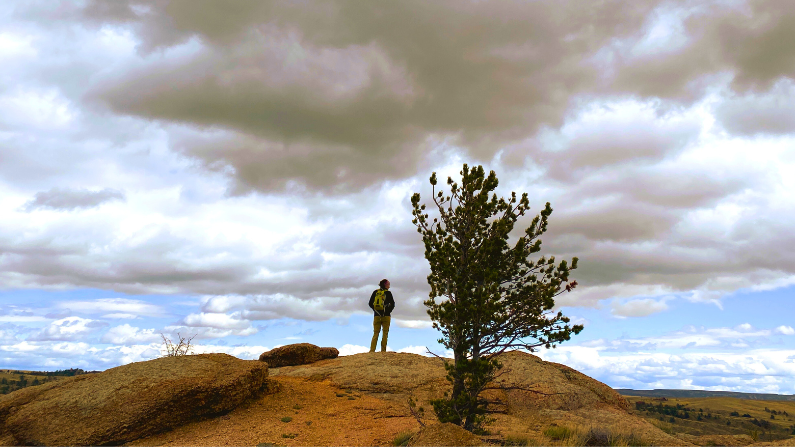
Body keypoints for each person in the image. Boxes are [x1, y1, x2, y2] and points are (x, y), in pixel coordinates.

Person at [368, 278, 395, 353]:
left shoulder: (375, 292)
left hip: (377, 316)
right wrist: (388, 311)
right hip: (386, 316)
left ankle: (372, 350)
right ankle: (383, 351)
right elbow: (393, 304)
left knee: (376, 333)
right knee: (385, 333)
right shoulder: (388, 293)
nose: (389, 286)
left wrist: (375, 310)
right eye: (388, 284)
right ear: (385, 285)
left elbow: (370, 303)